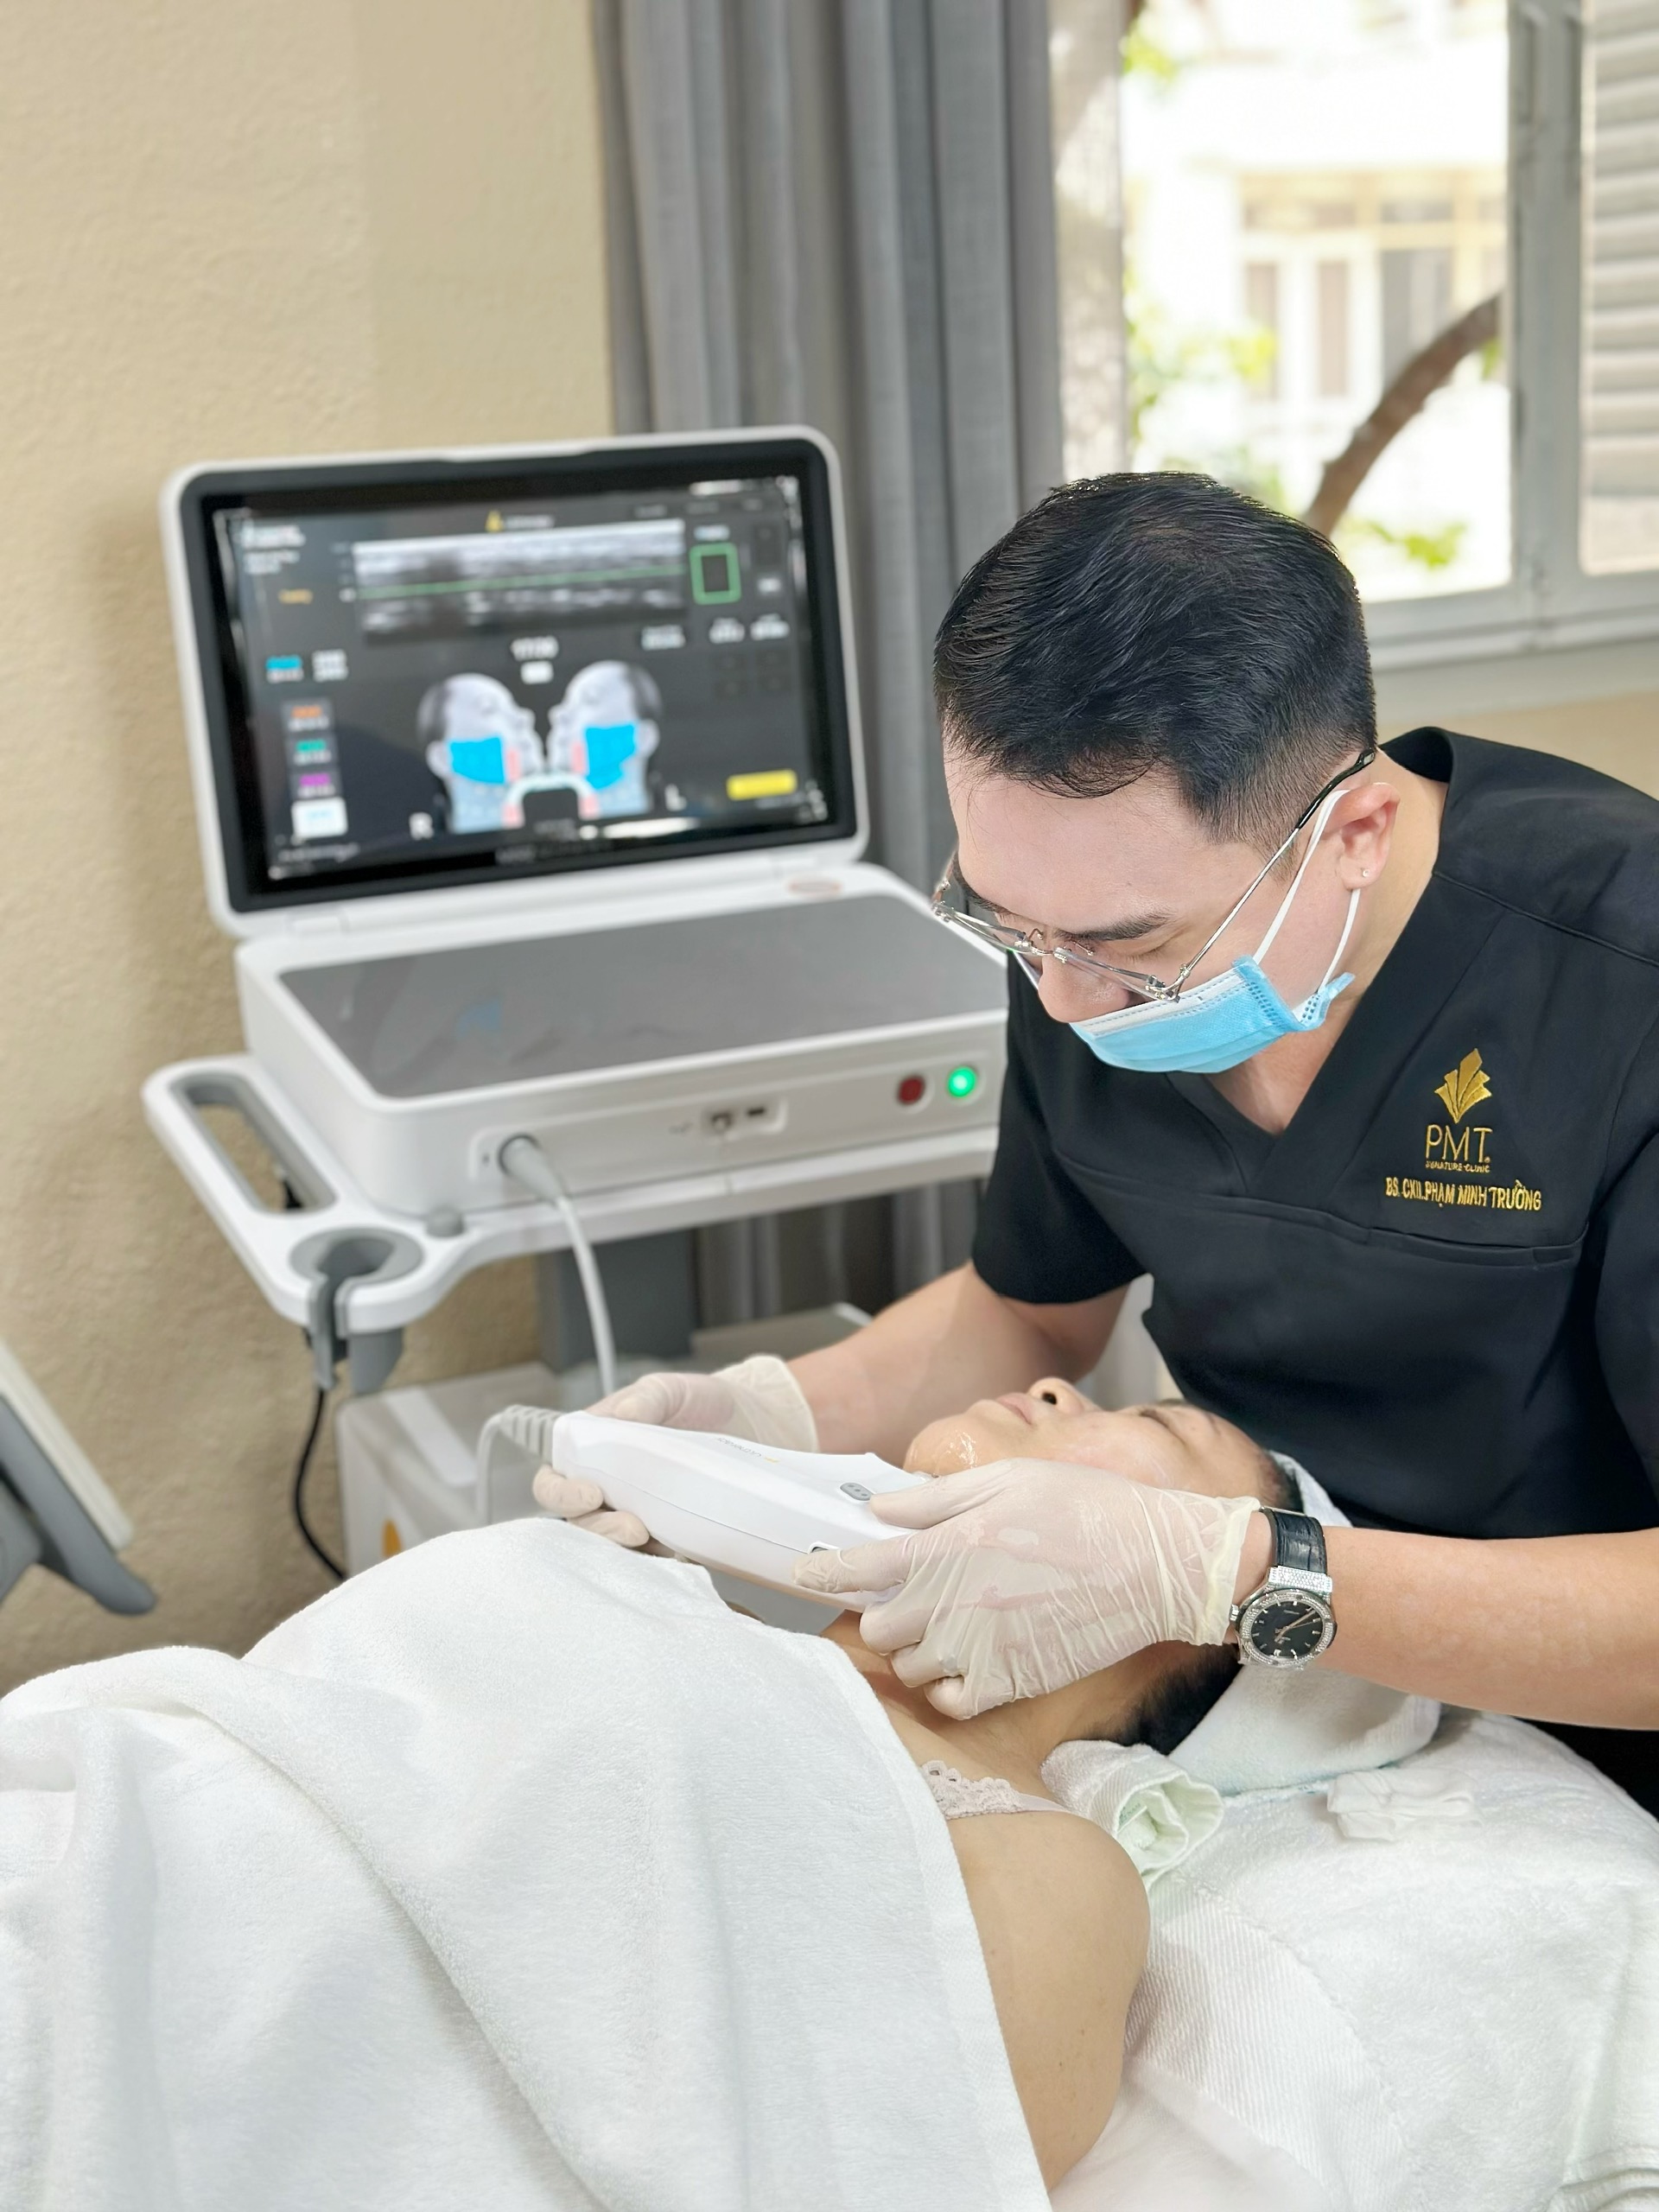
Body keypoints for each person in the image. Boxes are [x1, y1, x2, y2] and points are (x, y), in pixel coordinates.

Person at [541, 473, 1659, 1815]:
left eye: (1128, 946)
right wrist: (765, 1417)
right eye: (1010, 923)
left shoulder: (1622, 985)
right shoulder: (1077, 929)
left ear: (1354, 831)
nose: (1063, 1001)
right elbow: (1030, 1313)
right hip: (1275, 1703)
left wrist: (1222, 1572)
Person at [539, 1387, 1289, 2187]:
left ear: (1190, 1613)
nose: (1054, 1386)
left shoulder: (1047, 1872)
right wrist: (621, 1602)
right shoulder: (670, 1604)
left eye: (1155, 1421)